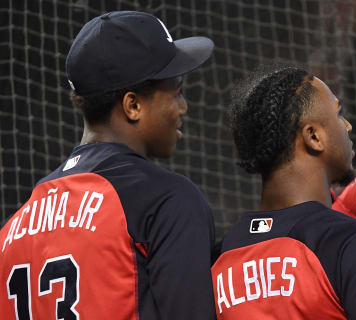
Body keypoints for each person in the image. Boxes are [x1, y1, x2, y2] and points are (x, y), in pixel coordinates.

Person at [0, 11, 216, 319]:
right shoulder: (166, 201)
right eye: (176, 92)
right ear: (133, 105)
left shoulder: (13, 227)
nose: (183, 106)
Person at [211, 66, 356, 319]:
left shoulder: (216, 259)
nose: (347, 126)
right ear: (314, 136)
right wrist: (341, 229)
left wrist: (340, 216)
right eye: (338, 114)